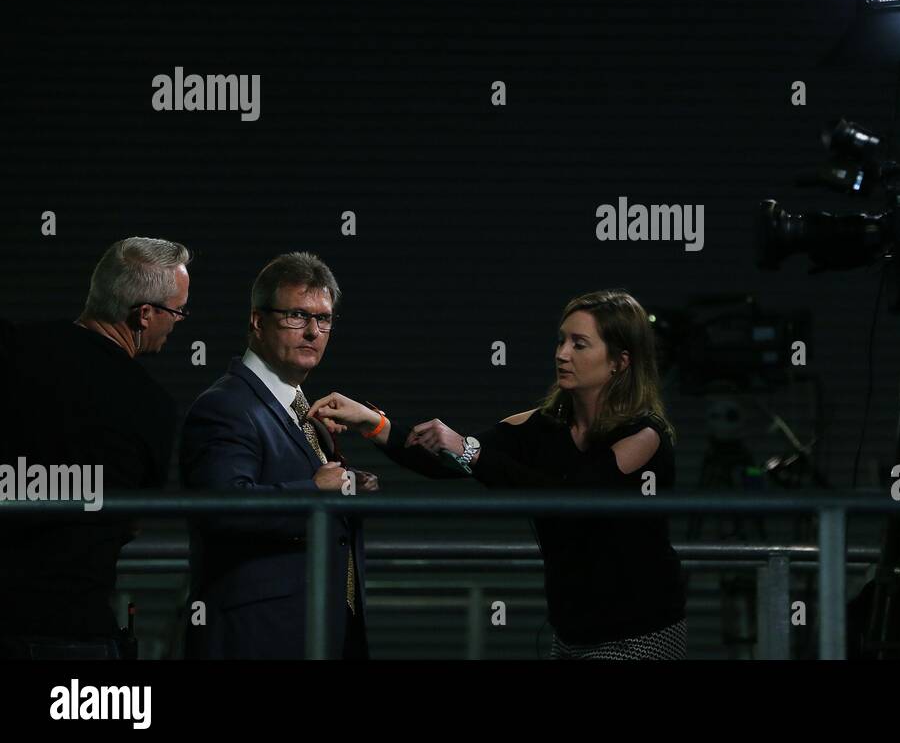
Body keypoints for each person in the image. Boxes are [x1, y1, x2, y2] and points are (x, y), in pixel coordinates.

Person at [311, 289, 688, 659]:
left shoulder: (644, 434)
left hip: (639, 631)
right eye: (560, 341)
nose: (562, 354)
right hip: (573, 631)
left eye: (579, 344)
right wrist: (372, 423)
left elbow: (569, 498)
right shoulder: (540, 426)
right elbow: (444, 462)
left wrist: (470, 451)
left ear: (619, 362)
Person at [180, 252, 378, 660]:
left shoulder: (301, 409)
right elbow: (222, 508)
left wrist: (350, 482)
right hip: (259, 638)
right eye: (296, 316)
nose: (313, 332)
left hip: (318, 629)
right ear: (257, 321)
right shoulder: (225, 405)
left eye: (324, 319)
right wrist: (313, 490)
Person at [0, 237, 191, 659]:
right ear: (144, 315)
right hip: (73, 631)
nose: (178, 322)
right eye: (177, 311)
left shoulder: (11, 346)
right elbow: (131, 523)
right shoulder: (150, 405)